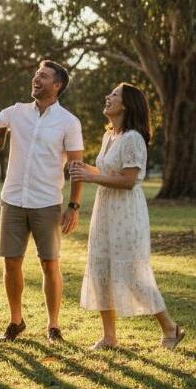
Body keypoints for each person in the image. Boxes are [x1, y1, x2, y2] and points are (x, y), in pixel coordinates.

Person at [0, 60, 84, 342]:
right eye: (36, 74)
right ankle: (16, 321)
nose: (37, 79)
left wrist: (73, 206)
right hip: (13, 200)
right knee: (12, 263)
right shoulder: (17, 111)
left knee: (50, 263)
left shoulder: (69, 122)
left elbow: (76, 167)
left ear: (57, 85)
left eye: (44, 76)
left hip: (46, 202)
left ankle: (54, 325)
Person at [70, 83, 185, 350]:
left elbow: (128, 180)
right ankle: (109, 337)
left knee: (132, 273)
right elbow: (107, 170)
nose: (107, 97)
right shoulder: (110, 136)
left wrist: (90, 176)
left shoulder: (133, 138)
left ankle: (170, 328)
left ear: (126, 104)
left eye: (114, 95)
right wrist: (82, 167)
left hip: (126, 212)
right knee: (102, 268)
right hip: (105, 211)